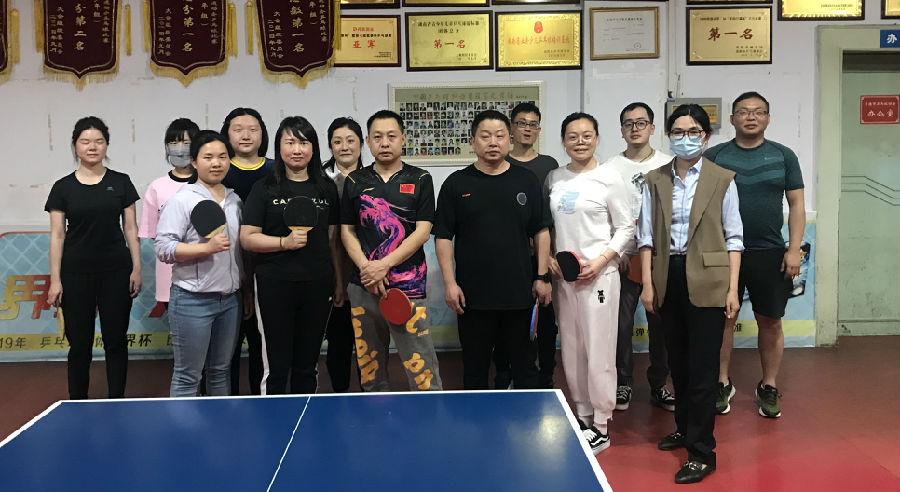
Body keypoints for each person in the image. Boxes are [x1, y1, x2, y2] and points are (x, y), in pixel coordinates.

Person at [637, 104, 743, 484]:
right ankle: (684, 429)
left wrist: (733, 289)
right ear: (669, 136)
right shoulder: (654, 179)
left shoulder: (722, 179)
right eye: (678, 132)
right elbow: (646, 237)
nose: (686, 138)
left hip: (710, 280)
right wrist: (648, 284)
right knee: (677, 364)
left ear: (706, 137)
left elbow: (734, 238)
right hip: (668, 276)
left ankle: (702, 453)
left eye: (693, 131)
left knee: (702, 369)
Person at [433, 110, 552, 391]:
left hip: (519, 294)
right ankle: (477, 419)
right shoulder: (456, 183)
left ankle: (524, 416)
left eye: (500, 136)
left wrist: (542, 277)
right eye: (485, 136)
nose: (493, 142)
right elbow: (443, 236)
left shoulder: (526, 181)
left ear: (509, 140)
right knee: (474, 371)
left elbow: (541, 230)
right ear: (472, 141)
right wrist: (449, 283)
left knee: (524, 369)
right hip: (472, 297)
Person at [705, 91, 806, 418]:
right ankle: (721, 382)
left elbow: (797, 205)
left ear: (768, 118)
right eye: (744, 112)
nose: (751, 117)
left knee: (770, 320)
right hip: (724, 252)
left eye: (758, 111)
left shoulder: (783, 156)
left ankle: (769, 385)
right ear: (732, 119)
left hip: (769, 253)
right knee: (724, 319)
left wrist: (794, 249)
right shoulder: (715, 156)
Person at [545, 112, 634, 454]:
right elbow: (550, 226)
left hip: (600, 277)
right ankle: (582, 415)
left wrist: (600, 262)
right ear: (563, 140)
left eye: (586, 135)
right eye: (572, 136)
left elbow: (625, 228)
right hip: (565, 279)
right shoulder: (555, 178)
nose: (579, 142)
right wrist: (550, 258)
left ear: (596, 138)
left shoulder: (610, 178)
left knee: (599, 351)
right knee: (572, 348)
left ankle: (601, 423)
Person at [340, 110, 442, 392]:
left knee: (422, 368)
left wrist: (383, 265)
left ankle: (430, 411)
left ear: (403, 139)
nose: (384, 143)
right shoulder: (354, 181)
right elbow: (347, 231)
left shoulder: (421, 178)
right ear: (368, 142)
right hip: (364, 285)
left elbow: (423, 231)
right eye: (377, 137)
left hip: (408, 286)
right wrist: (367, 269)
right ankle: (375, 412)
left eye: (391, 136)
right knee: (370, 368)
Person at [240, 117, 341, 395]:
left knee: (308, 363)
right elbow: (247, 237)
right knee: (276, 364)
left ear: (313, 147)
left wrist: (339, 281)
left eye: (304, 143)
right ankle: (272, 413)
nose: (297, 150)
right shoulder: (264, 188)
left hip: (317, 283)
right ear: (279, 147)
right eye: (290, 142)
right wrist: (283, 243)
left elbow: (333, 240)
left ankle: (304, 413)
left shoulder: (326, 188)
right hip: (274, 284)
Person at [46, 116, 142, 400]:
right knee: (79, 345)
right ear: (75, 146)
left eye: (99, 141)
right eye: (85, 141)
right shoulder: (62, 187)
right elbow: (57, 236)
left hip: (116, 272)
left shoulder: (121, 182)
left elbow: (131, 228)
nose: (92, 147)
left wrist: (136, 268)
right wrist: (55, 281)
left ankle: (117, 400)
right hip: (75, 274)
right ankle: (77, 402)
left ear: (106, 146)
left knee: (116, 341)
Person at [155, 130, 243, 397]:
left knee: (220, 372)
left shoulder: (235, 200)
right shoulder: (182, 199)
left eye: (222, 157)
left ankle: (219, 423)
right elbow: (164, 248)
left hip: (230, 301)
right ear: (194, 161)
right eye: (208, 157)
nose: (216, 163)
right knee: (187, 377)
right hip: (192, 300)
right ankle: (182, 426)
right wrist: (205, 248)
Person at [602, 102, 676, 412]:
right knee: (621, 326)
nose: (635, 128)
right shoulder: (609, 168)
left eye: (641, 122)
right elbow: (603, 213)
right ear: (621, 130)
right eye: (629, 123)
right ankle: (623, 382)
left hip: (661, 260)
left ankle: (659, 384)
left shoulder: (669, 163)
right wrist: (615, 250)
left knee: (662, 327)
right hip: (624, 258)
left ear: (652, 128)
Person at [490, 102, 560, 390]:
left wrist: (547, 252)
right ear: (511, 128)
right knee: (506, 321)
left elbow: (551, 215)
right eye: (521, 123)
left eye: (533, 124)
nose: (527, 129)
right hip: (509, 258)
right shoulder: (499, 162)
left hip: (543, 257)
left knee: (545, 320)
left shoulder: (549, 166)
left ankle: (545, 376)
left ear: (539, 130)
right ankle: (505, 374)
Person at [219, 107, 273, 395]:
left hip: (268, 268)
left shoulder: (276, 170)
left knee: (261, 345)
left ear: (262, 134)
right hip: (225, 269)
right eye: (238, 129)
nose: (246, 135)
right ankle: (223, 403)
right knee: (224, 349)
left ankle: (259, 400)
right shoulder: (218, 170)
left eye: (253, 129)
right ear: (226, 134)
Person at [139, 118, 200, 311]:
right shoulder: (157, 187)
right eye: (174, 143)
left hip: (207, 275)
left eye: (186, 142)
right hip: (170, 279)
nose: (179, 149)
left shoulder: (209, 183)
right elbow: (153, 234)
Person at [322, 117, 365, 392]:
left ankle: (369, 395)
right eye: (337, 142)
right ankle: (339, 394)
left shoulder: (373, 179)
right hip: (329, 274)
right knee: (338, 341)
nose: (344, 147)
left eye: (350, 140)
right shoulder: (319, 181)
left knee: (367, 343)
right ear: (330, 146)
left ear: (361, 144)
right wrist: (338, 281)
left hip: (366, 273)